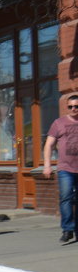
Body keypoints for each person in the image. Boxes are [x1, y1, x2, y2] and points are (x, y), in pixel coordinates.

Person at [42, 93, 78, 243]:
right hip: (65, 168)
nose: (73, 109)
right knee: (66, 198)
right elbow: (48, 145)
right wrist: (47, 165)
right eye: (70, 106)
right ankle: (67, 229)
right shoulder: (59, 123)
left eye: (76, 106)